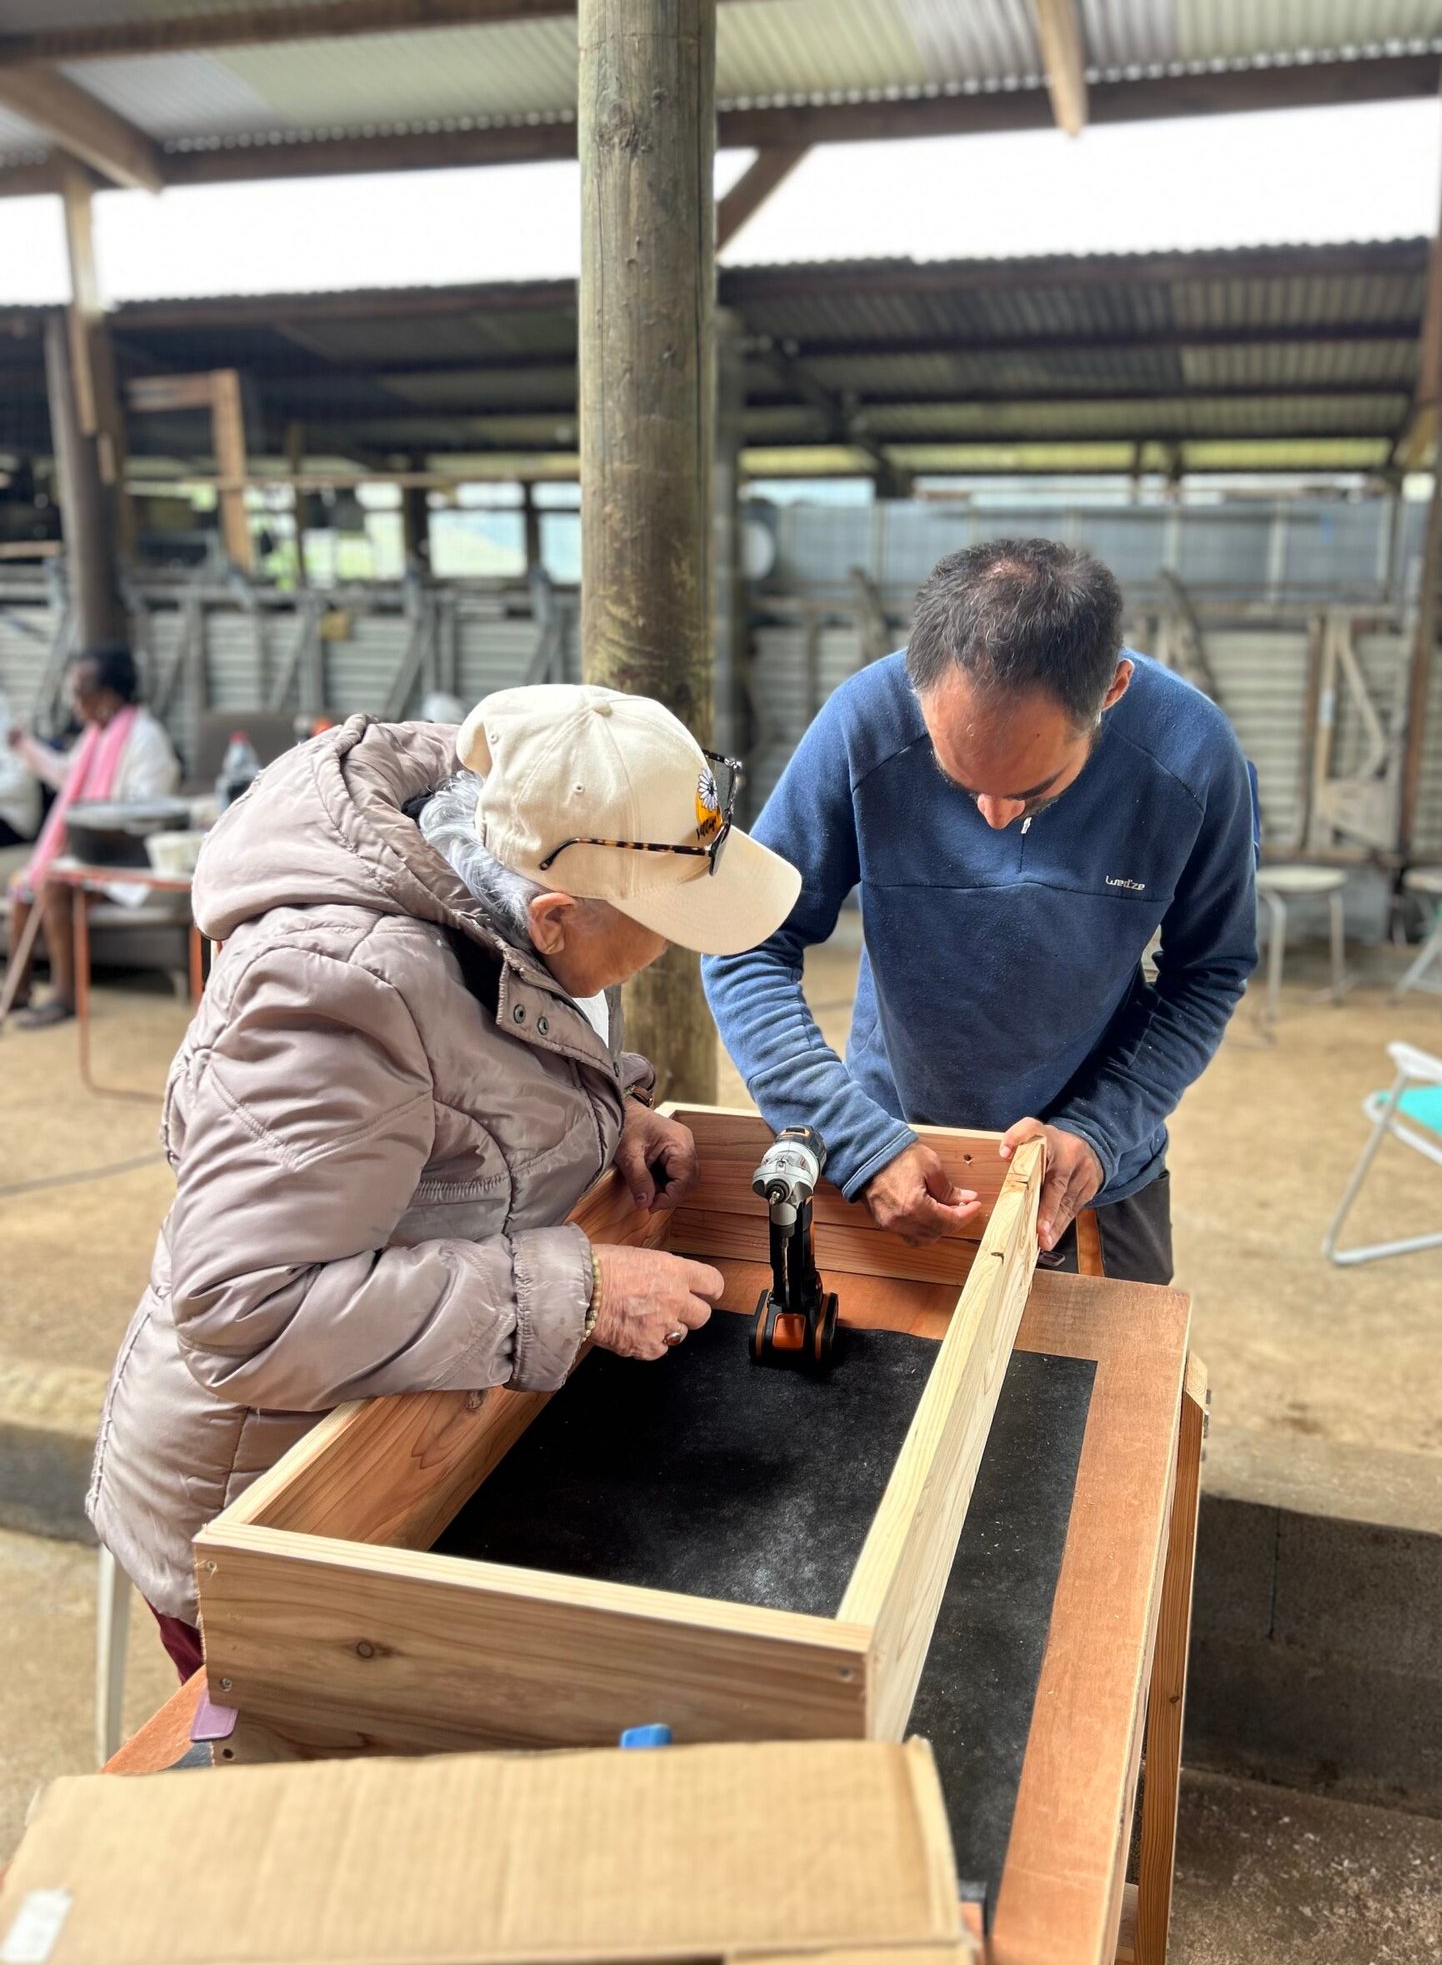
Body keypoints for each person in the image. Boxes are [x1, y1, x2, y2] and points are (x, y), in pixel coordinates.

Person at [87, 686, 801, 1679]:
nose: (667, 954)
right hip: (266, 1500)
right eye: (664, 933)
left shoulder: (493, 859)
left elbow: (484, 1065)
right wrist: (579, 1290)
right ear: (553, 918)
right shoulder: (340, 988)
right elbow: (245, 1312)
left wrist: (611, 1114)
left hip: (399, 1435)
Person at [703, 539, 1258, 1284]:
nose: (993, 819)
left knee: (1119, 1355)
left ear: (1113, 691)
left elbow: (1209, 971)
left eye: (1033, 789)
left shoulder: (1192, 756)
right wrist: (857, 1139)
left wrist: (1102, 1129)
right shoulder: (866, 722)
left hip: (1095, 1170)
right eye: (958, 781)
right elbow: (743, 943)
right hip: (896, 1148)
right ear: (917, 681)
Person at [4, 643, 181, 1028]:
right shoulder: (95, 737)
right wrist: (26, 747)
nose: (74, 703)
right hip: (93, 852)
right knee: (25, 887)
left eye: (80, 692)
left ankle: (65, 996)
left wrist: (95, 824)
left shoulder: (145, 738)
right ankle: (17, 991)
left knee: (53, 886)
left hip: (127, 860)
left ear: (108, 695)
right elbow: (68, 778)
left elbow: (147, 812)